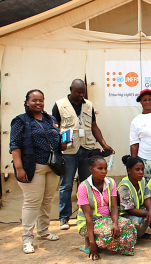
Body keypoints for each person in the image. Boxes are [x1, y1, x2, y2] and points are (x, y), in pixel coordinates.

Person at [53, 79, 114, 230]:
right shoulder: (59, 105)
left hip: (86, 149)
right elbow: (54, 128)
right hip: (69, 151)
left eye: (83, 92)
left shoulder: (89, 105)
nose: (81, 95)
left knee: (87, 184)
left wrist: (104, 144)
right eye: (78, 92)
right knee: (66, 184)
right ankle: (64, 217)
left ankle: (88, 214)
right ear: (71, 89)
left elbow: (94, 126)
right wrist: (58, 146)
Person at [10, 89, 66, 254]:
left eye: (41, 100)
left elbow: (57, 141)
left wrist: (63, 144)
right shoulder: (21, 121)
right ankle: (27, 238)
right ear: (27, 102)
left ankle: (43, 231)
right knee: (32, 202)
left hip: (53, 167)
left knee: (47, 200)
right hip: (32, 168)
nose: (38, 103)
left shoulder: (51, 119)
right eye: (34, 100)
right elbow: (15, 146)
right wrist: (19, 168)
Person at [77, 156, 137, 259]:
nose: (103, 171)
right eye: (99, 168)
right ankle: (92, 242)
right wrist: (92, 243)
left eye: (105, 168)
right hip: (89, 223)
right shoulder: (83, 187)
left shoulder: (111, 183)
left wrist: (115, 224)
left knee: (128, 226)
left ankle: (114, 244)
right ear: (91, 169)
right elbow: (88, 216)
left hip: (107, 220)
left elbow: (114, 207)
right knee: (108, 233)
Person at [117, 155, 151, 239]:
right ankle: (134, 236)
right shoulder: (124, 186)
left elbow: (147, 197)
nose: (141, 172)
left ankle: (144, 232)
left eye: (142, 169)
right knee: (140, 220)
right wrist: (149, 213)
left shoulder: (142, 180)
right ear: (129, 171)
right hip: (125, 214)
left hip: (137, 209)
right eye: (137, 170)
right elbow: (130, 210)